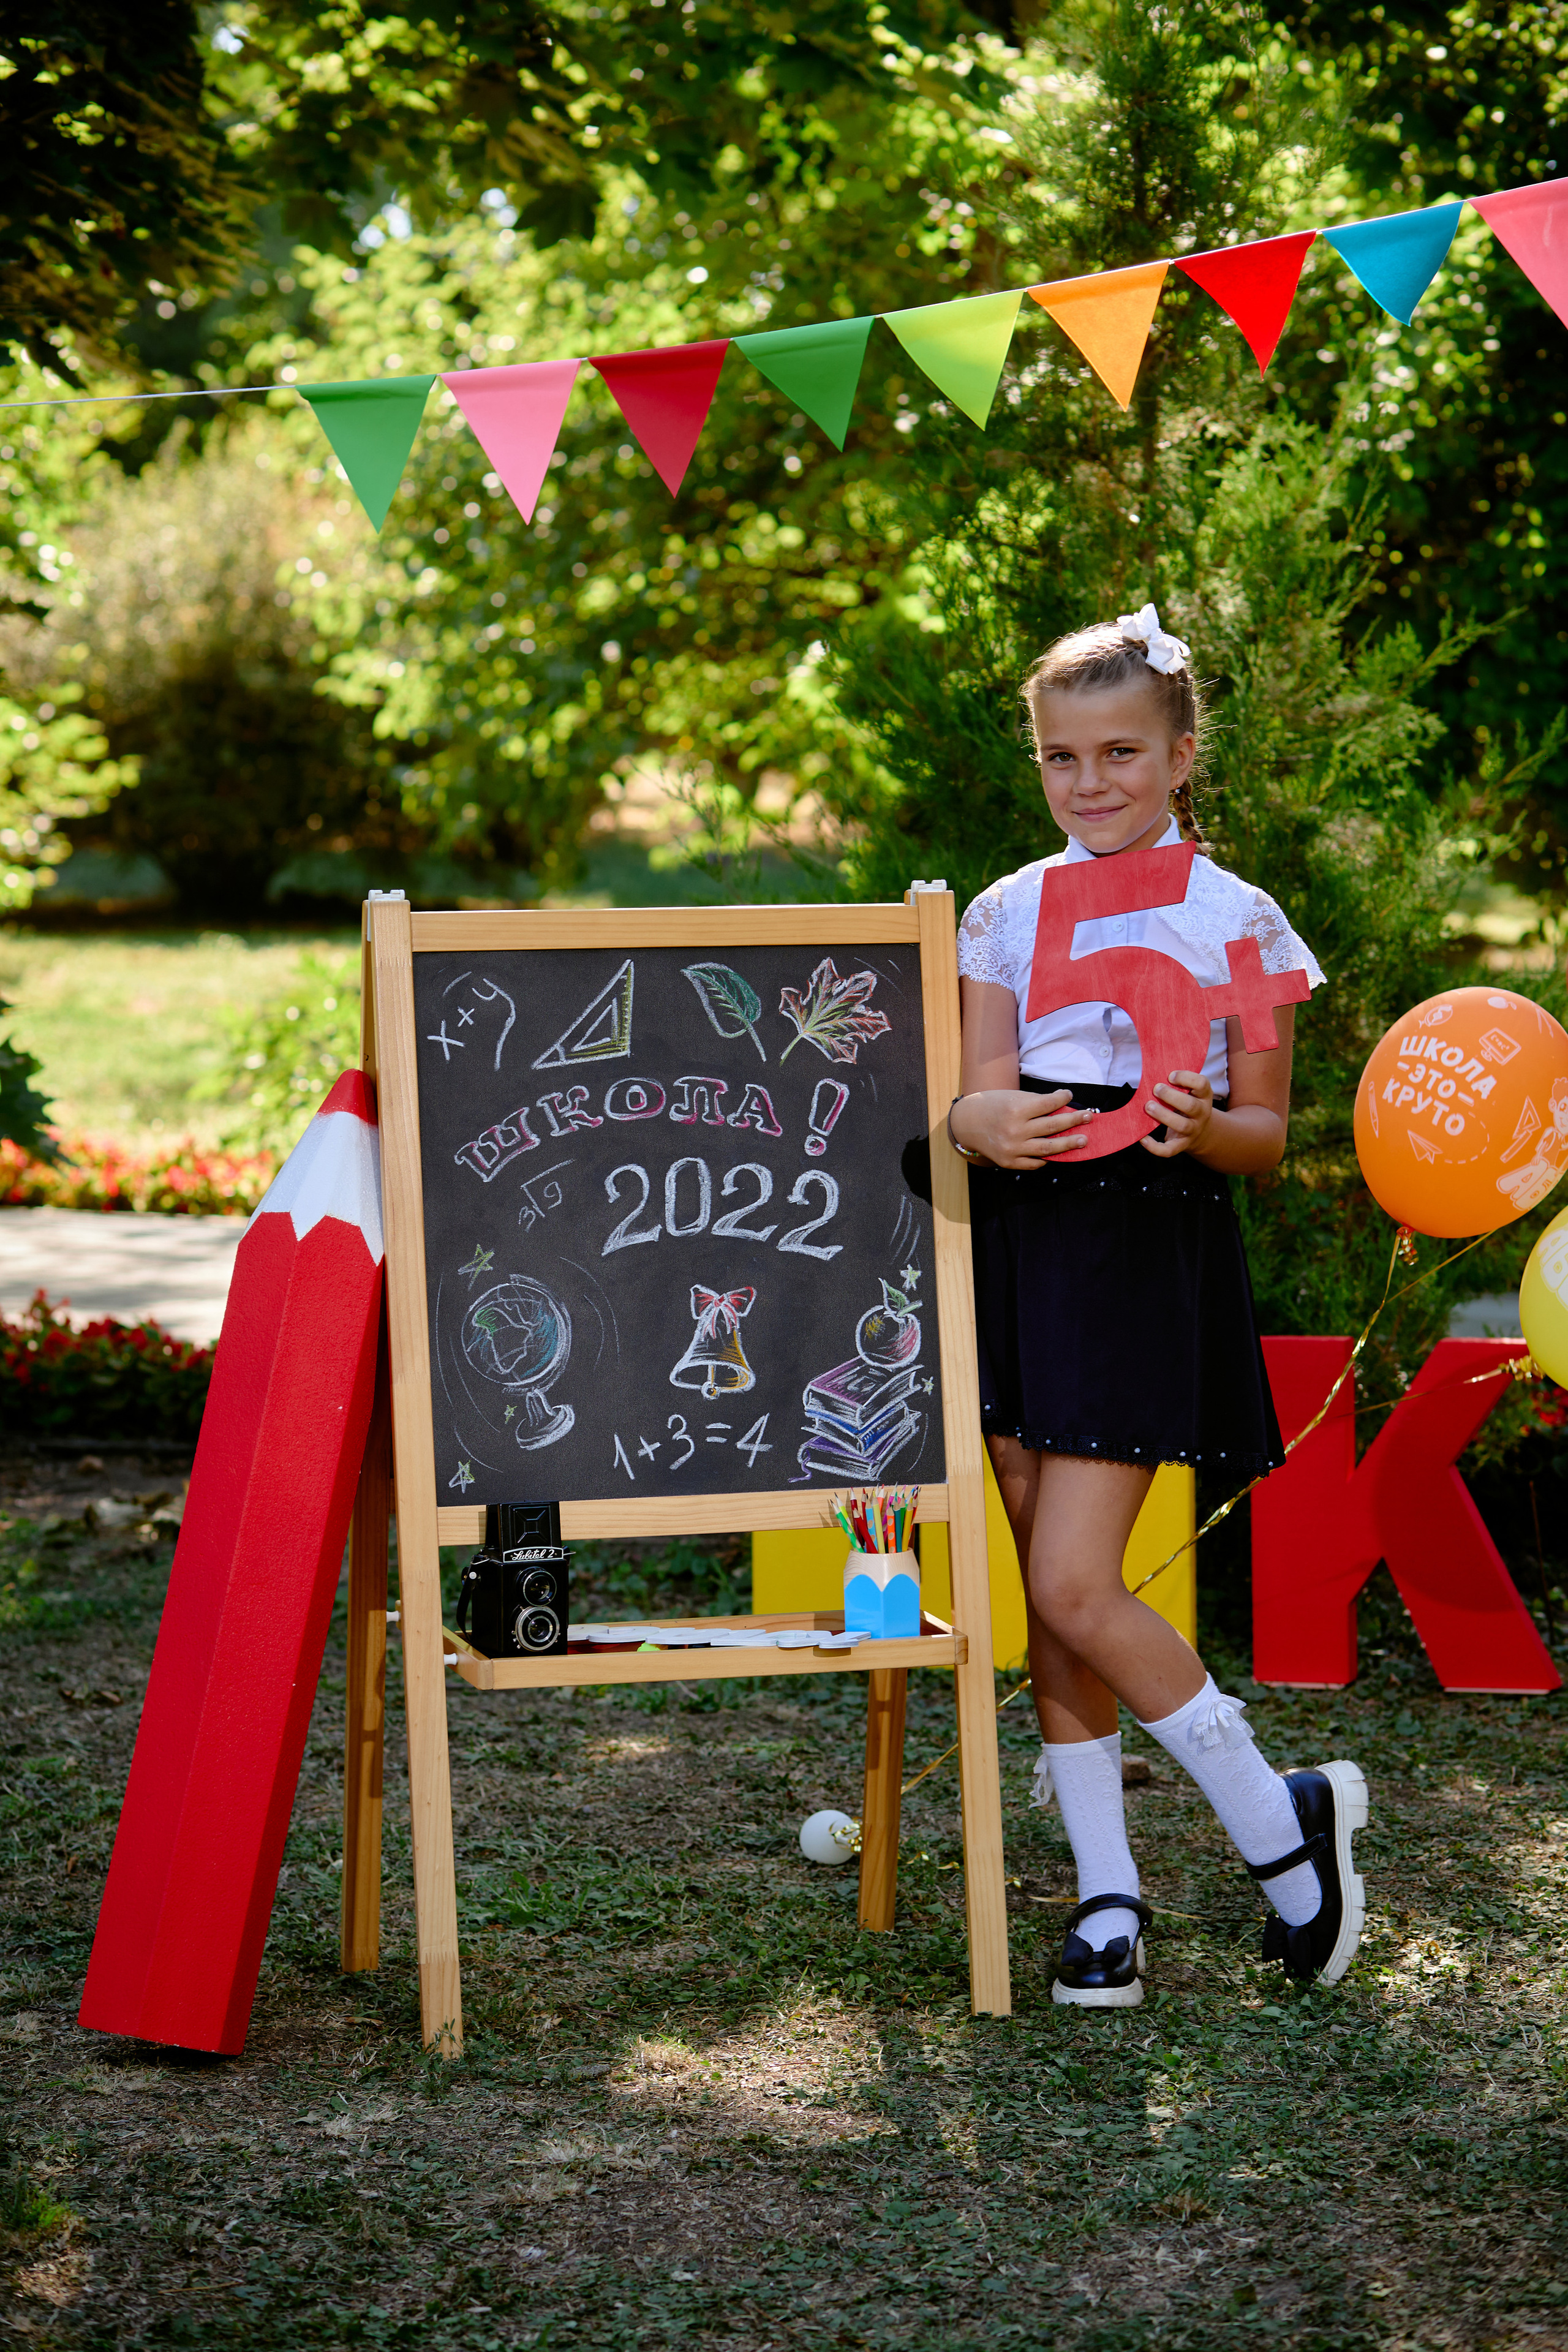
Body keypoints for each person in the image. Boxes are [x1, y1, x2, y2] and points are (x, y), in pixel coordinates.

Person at [948, 604, 1368, 2008]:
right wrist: (980, 1120)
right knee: (1046, 1595)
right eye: (1060, 757)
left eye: (1120, 751)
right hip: (1018, 1246)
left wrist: (1200, 1126)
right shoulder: (1002, 912)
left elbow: (1267, 1130)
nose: (1089, 782)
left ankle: (1273, 1821)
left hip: (1140, 1249)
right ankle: (1106, 1896)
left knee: (1075, 1579)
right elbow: (970, 1088)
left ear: (1180, 756)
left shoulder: (1237, 918)